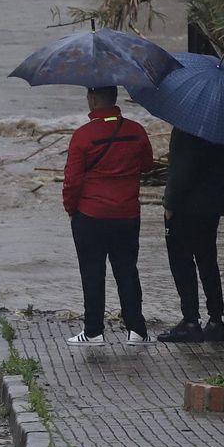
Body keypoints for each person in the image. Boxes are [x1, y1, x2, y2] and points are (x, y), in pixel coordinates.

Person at [62, 85, 155, 346]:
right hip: (127, 214)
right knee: (127, 271)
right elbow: (147, 165)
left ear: (92, 100)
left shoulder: (83, 136)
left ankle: (93, 332)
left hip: (90, 216)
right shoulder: (136, 130)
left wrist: (71, 209)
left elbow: (72, 181)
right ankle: (136, 330)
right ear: (114, 98)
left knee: (92, 273)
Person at [157, 128, 224, 343]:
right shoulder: (223, 128)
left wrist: (169, 204)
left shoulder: (186, 128)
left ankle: (191, 320)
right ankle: (216, 321)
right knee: (208, 260)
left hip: (186, 206)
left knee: (182, 262)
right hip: (211, 204)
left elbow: (181, 169)